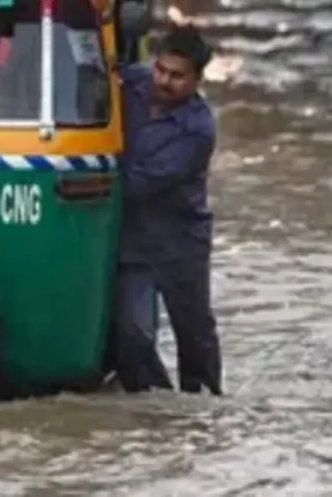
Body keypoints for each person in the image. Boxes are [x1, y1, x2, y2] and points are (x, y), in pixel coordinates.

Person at [111, 25, 222, 395]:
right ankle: (157, 408)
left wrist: (93, 182)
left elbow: (140, 182)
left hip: (180, 243)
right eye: (160, 69)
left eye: (177, 76)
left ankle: (201, 404)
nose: (164, 80)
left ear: (196, 79)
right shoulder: (131, 84)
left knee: (195, 336)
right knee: (133, 335)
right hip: (132, 243)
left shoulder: (198, 129)